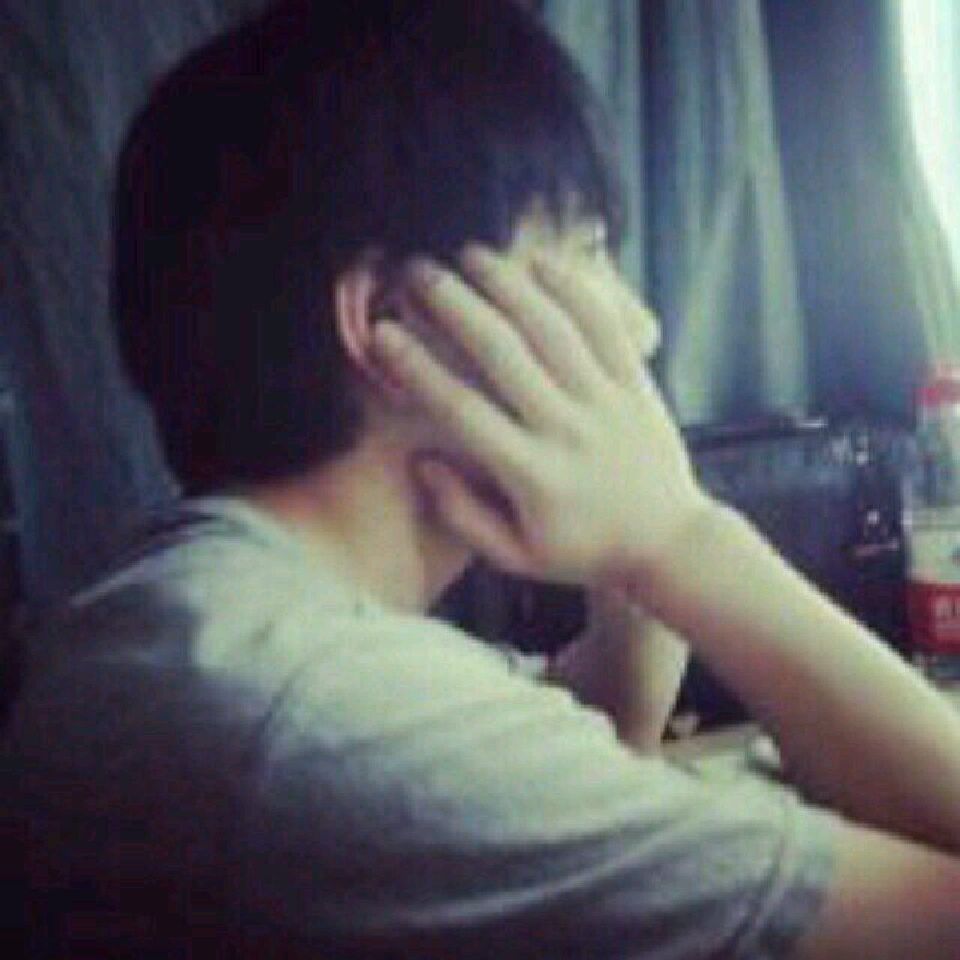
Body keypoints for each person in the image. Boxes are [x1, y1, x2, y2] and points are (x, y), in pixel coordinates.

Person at [1, 0, 959, 956]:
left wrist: (639, 570)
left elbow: (579, 744)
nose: (640, 327)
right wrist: (681, 540)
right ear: (392, 319)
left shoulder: (208, 625)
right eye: (587, 251)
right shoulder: (315, 708)